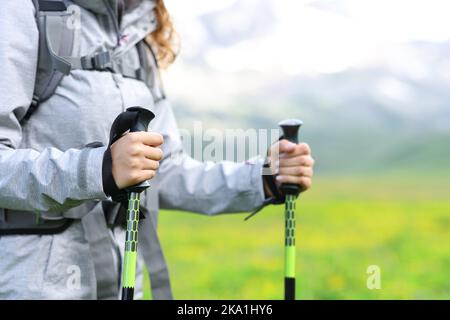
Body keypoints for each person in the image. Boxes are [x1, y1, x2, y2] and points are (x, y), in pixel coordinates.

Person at [0, 0, 314, 299]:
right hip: (29, 282)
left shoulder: (137, 43)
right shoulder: (22, 12)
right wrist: (100, 169)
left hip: (121, 281)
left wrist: (262, 177)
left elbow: (165, 171)